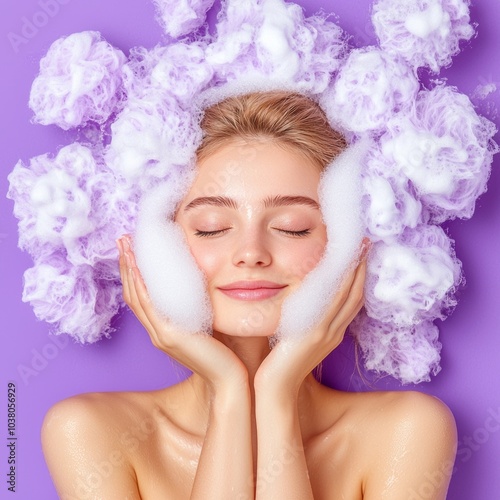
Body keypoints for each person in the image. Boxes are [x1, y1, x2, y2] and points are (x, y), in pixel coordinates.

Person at [41, 92, 457, 499]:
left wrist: (275, 396)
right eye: (211, 227)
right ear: (156, 242)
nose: (251, 253)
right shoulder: (89, 432)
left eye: (292, 226)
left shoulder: (408, 431)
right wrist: (229, 391)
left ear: (348, 243)